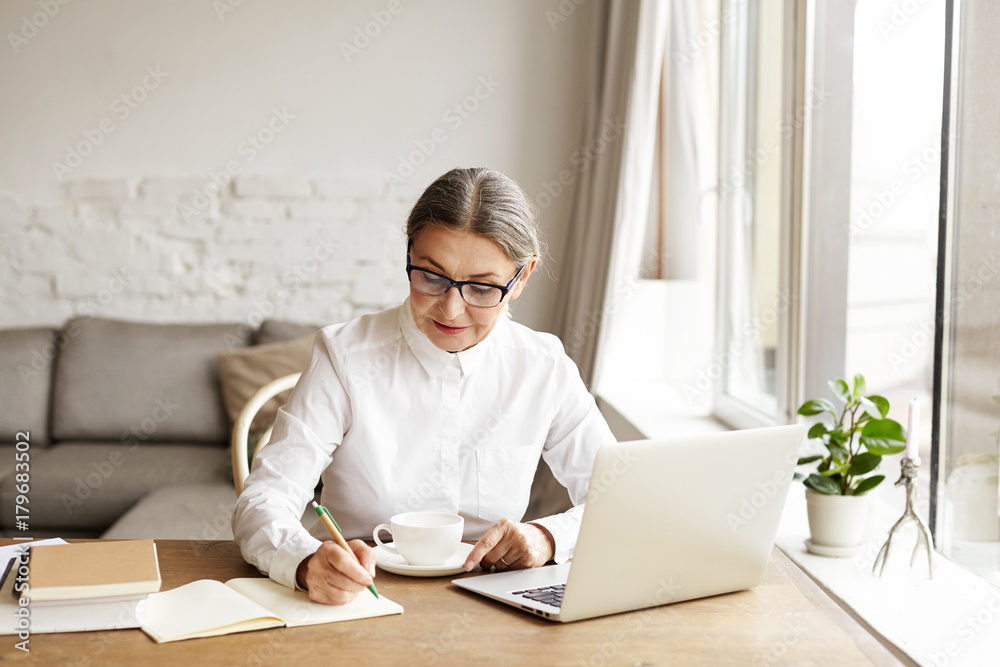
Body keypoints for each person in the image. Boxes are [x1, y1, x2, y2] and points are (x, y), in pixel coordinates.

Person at [232, 167, 616, 605]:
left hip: (493, 601)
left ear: (521, 278)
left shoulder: (543, 366)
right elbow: (264, 499)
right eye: (432, 277)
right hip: (365, 596)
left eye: (482, 288)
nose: (451, 310)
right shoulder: (344, 355)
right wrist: (305, 563)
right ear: (409, 254)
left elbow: (618, 496)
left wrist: (548, 538)